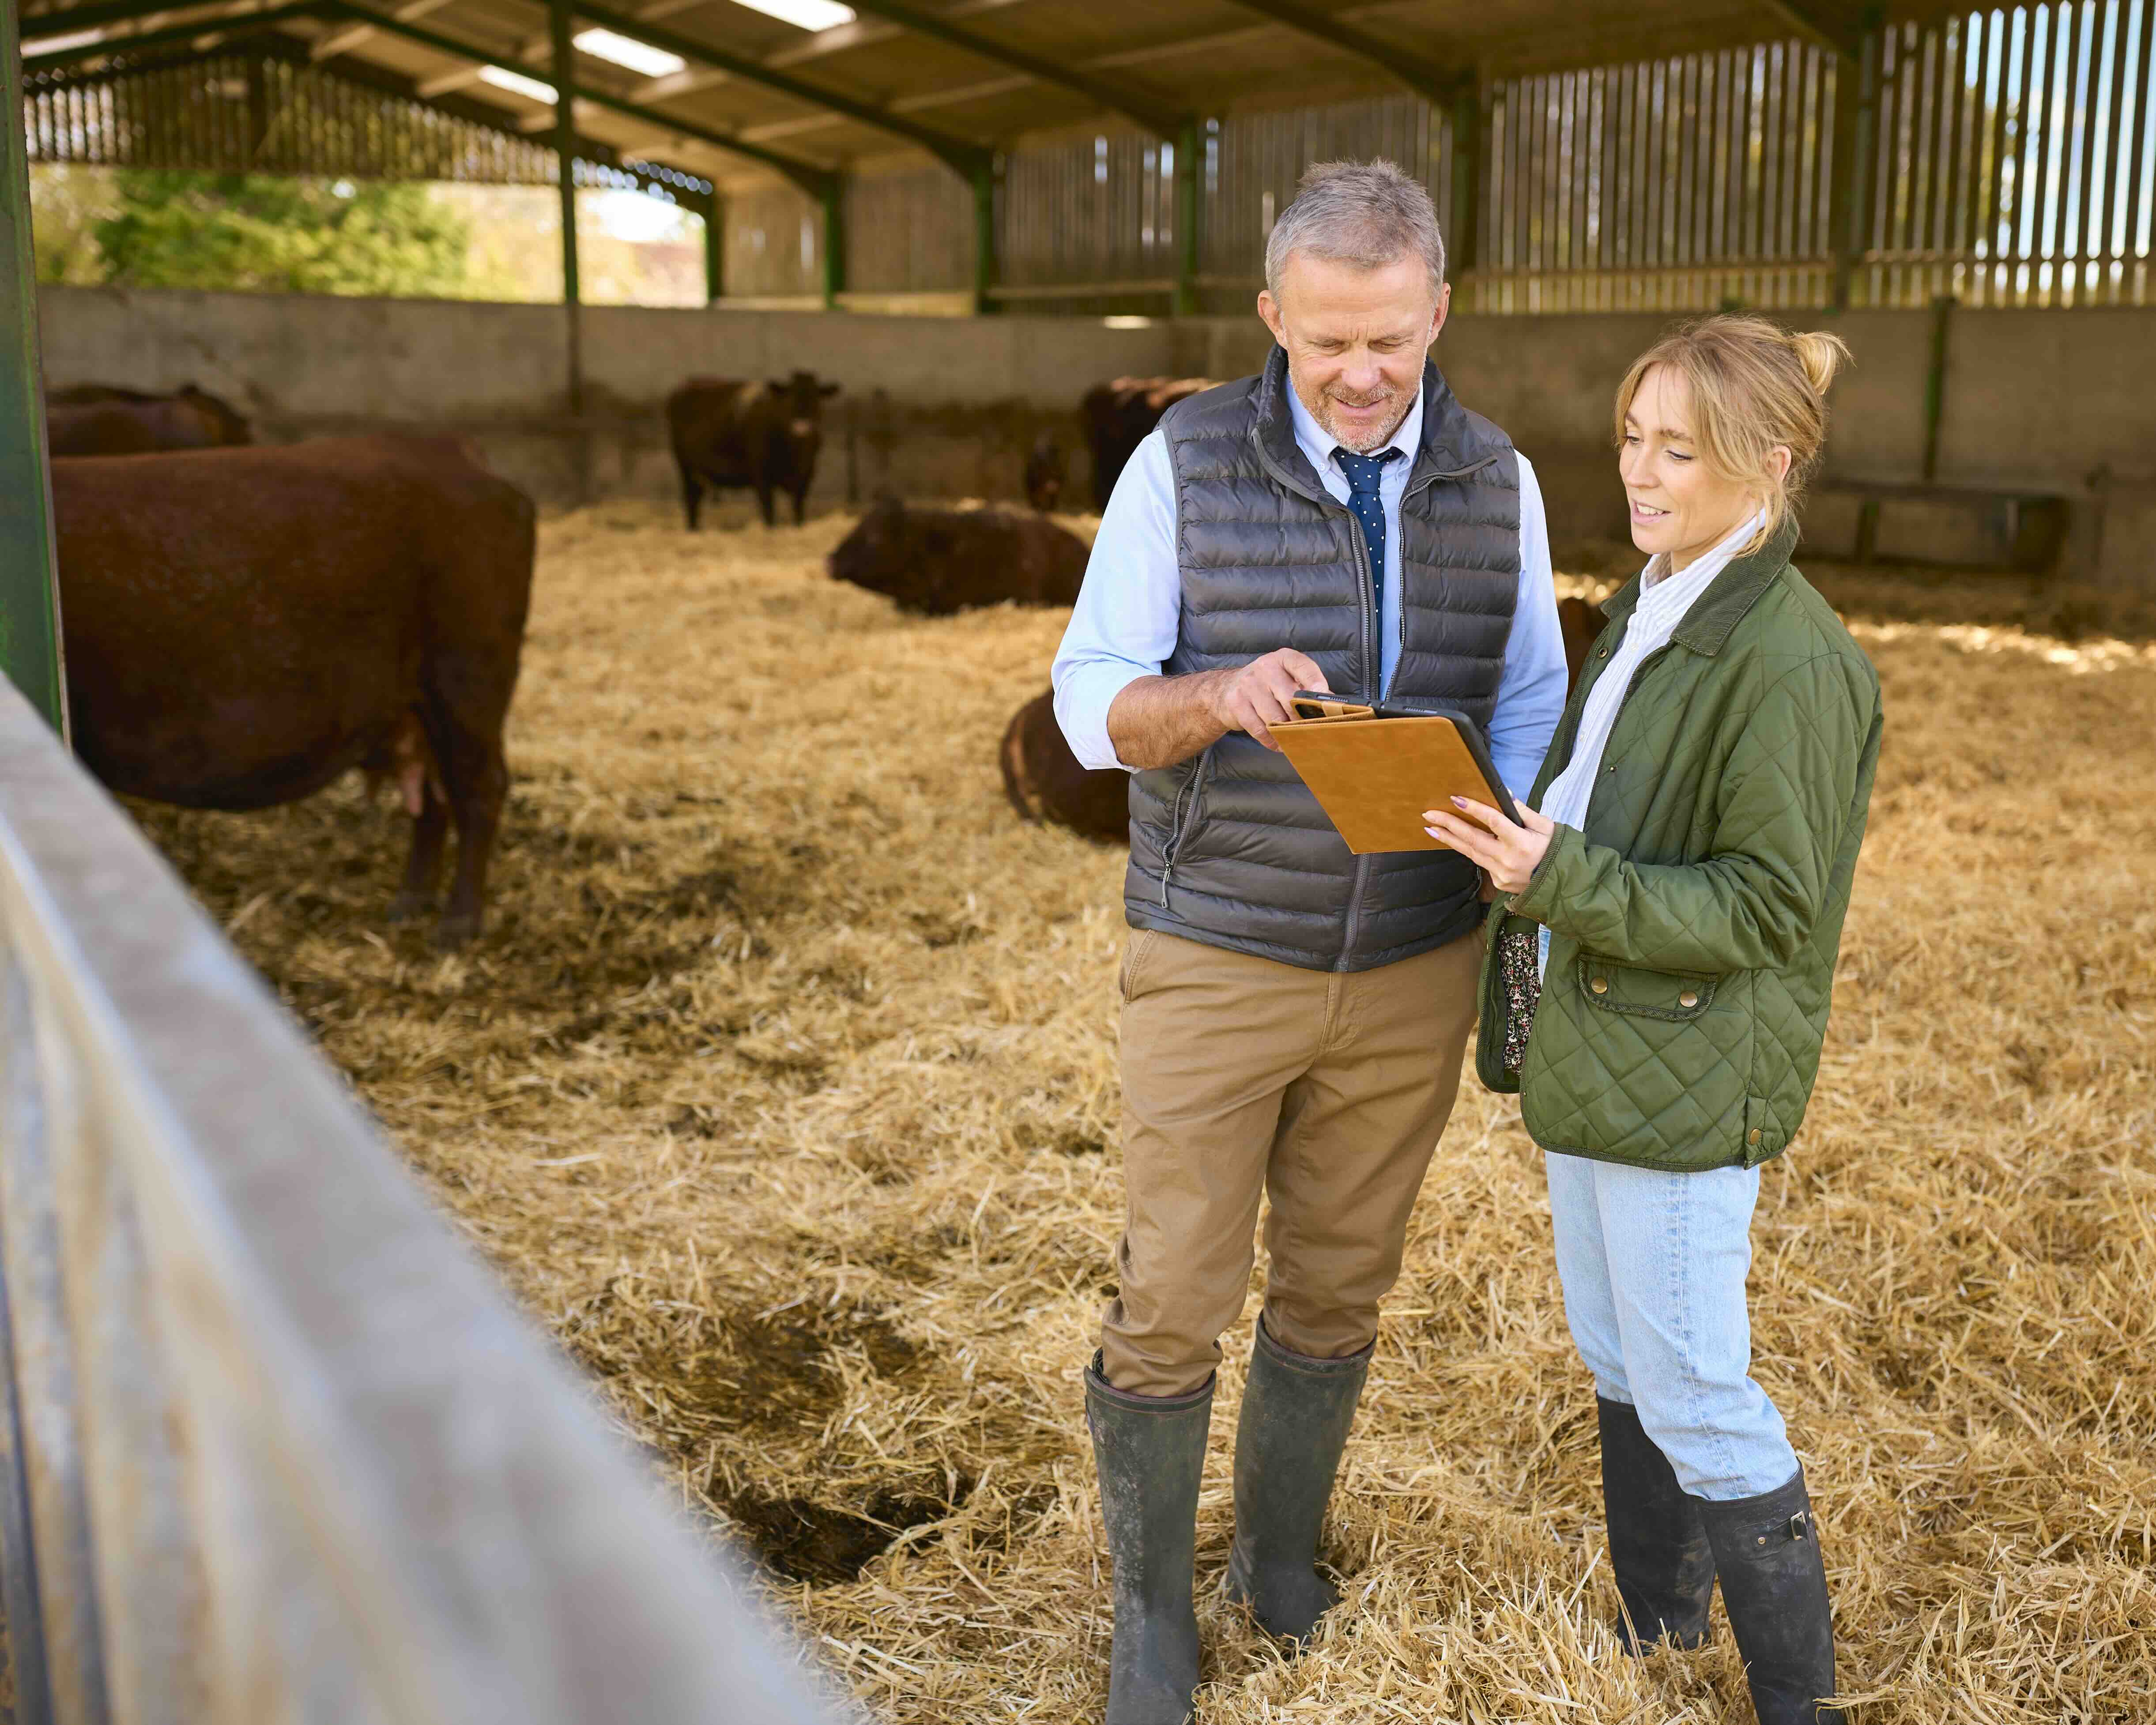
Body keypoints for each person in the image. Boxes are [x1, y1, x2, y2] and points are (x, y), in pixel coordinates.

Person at [1052, 159, 1568, 1724]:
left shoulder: (1501, 476)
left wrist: (1508, 831)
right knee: (1174, 1292)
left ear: (1437, 314)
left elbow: (1533, 691)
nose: (1358, 376)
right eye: (1326, 340)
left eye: (1390, 342)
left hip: (1412, 957)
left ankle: (1275, 1557)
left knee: (1340, 1285)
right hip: (1218, 947)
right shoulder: (1184, 458)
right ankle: (1151, 1612)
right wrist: (1214, 698)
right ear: (1273, 317)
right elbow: (1090, 701)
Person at [1425, 313, 1881, 1725]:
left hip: (1685, 1062)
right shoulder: (1653, 599)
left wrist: (1552, 873)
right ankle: (1656, 1628)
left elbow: (1766, 910)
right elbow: (1602, 806)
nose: (1638, 470)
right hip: (1602, 1033)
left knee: (1696, 1388)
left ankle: (1795, 1705)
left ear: (1771, 461)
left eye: (1677, 450)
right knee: (1621, 1358)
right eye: (1632, 437)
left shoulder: (1791, 662)